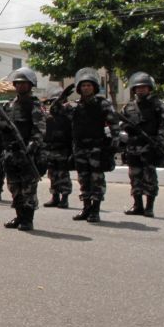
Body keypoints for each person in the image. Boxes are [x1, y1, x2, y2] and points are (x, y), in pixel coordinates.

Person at [0, 67, 45, 231]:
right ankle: (19, 215)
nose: (20, 86)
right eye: (18, 83)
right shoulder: (8, 105)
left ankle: (28, 219)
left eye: (24, 83)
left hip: (27, 152)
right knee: (14, 186)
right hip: (11, 152)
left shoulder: (34, 105)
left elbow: (40, 129)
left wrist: (32, 145)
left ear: (31, 84)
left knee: (28, 188)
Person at [63, 67, 119, 223]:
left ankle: (95, 209)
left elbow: (114, 123)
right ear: (79, 88)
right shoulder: (74, 105)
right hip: (79, 147)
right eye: (83, 85)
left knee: (97, 179)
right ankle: (86, 207)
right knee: (83, 179)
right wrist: (62, 96)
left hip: (96, 147)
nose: (86, 88)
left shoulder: (103, 103)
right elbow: (55, 111)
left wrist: (115, 141)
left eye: (89, 85)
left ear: (94, 87)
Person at [120, 72, 164, 217]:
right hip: (133, 146)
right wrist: (126, 127)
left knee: (149, 177)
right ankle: (138, 205)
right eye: (138, 87)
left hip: (149, 146)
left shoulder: (158, 105)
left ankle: (149, 207)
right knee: (134, 176)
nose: (140, 90)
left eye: (144, 87)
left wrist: (158, 141)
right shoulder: (128, 106)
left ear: (149, 88)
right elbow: (121, 122)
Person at [42, 87, 74, 209]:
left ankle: (64, 198)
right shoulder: (51, 113)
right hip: (51, 147)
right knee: (52, 174)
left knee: (63, 174)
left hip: (63, 147)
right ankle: (55, 196)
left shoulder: (68, 110)